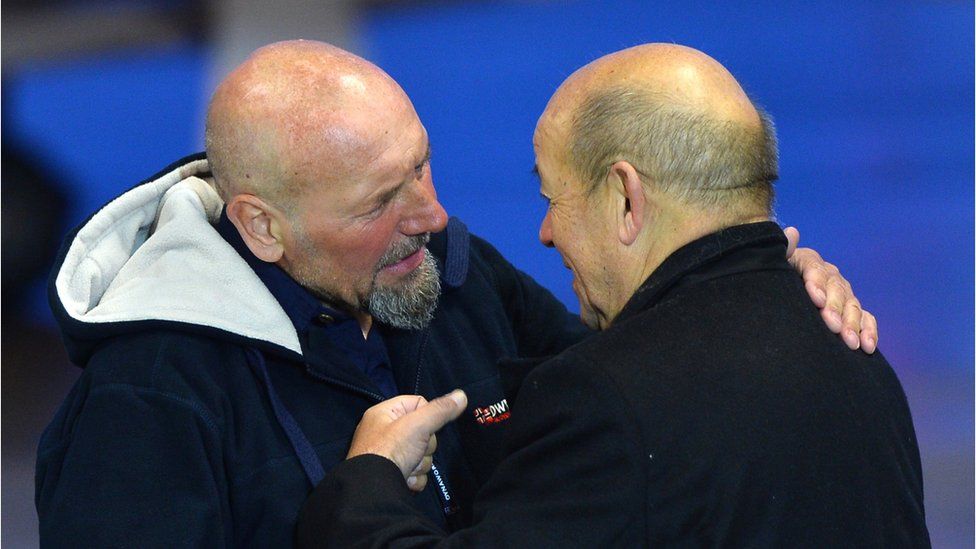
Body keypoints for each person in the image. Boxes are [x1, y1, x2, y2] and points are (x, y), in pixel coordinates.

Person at [37, 41, 875, 546]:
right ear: (262, 227)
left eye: (421, 165)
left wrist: (752, 290)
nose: (430, 213)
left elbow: (648, 398)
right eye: (379, 201)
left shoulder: (450, 274)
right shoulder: (149, 404)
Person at [294, 43, 929, 547]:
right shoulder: (851, 350)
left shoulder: (611, 401)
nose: (545, 234)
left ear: (626, 198)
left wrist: (367, 484)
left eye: (552, 197)